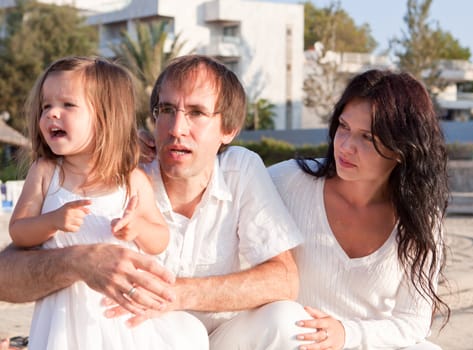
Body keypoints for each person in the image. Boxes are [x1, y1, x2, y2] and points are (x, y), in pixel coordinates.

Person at [0, 55, 306, 349]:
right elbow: (7, 271)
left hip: (218, 336)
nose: (176, 129)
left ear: (229, 130)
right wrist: (79, 261)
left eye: (196, 113)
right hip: (130, 331)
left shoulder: (242, 168)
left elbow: (283, 280)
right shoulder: (118, 169)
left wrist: (174, 294)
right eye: (167, 110)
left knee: (289, 324)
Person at [5, 56, 206, 349]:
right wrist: (51, 222)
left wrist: (137, 227)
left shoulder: (131, 180)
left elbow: (160, 238)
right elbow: (18, 232)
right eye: (46, 106)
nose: (51, 114)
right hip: (62, 311)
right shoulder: (46, 172)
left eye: (67, 105)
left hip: (115, 314)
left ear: (105, 117)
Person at [269, 69, 450, 349]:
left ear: (402, 148)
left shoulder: (419, 220)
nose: (345, 146)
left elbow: (413, 321)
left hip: (359, 343)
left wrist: (345, 334)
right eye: (344, 127)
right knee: (282, 320)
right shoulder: (288, 182)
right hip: (291, 338)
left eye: (367, 137)